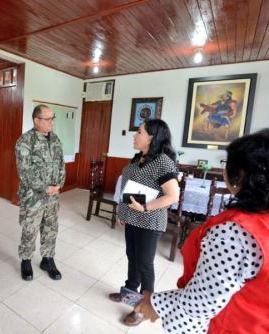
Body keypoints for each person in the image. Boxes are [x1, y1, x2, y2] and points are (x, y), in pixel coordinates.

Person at [135, 128, 269, 333]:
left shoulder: (235, 233)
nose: (135, 136)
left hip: (234, 325)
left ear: (240, 174)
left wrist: (155, 304)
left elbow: (199, 303)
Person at [109, 119, 179, 326]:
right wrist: (123, 212)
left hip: (150, 221)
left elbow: (173, 195)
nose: (135, 135)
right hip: (132, 218)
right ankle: (129, 292)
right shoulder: (139, 157)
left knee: (145, 264)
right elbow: (128, 188)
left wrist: (146, 208)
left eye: (139, 132)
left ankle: (144, 307)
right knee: (132, 256)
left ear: (151, 137)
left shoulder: (163, 162)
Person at [15, 104, 65, 281]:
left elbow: (61, 164)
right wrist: (44, 187)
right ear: (36, 120)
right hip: (33, 197)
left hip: (53, 196)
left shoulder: (56, 140)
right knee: (30, 228)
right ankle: (26, 260)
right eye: (48, 119)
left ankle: (48, 259)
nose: (51, 122)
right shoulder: (25, 141)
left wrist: (59, 184)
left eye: (53, 118)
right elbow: (24, 172)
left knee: (51, 228)